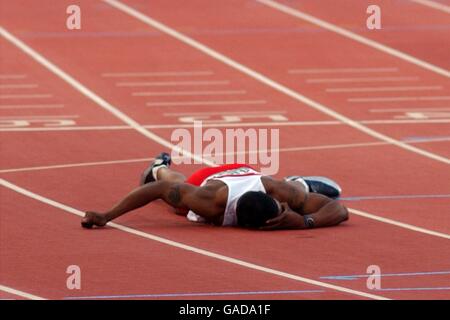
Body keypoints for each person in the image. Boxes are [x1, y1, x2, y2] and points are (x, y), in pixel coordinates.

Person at [82, 152, 349, 230]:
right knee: (178, 201)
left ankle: (299, 183)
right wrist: (107, 215)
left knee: (293, 192)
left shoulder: (277, 193)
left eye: (280, 208)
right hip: (213, 180)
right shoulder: (209, 203)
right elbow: (159, 190)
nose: (283, 210)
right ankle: (158, 166)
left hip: (250, 174)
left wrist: (305, 220)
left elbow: (340, 210)